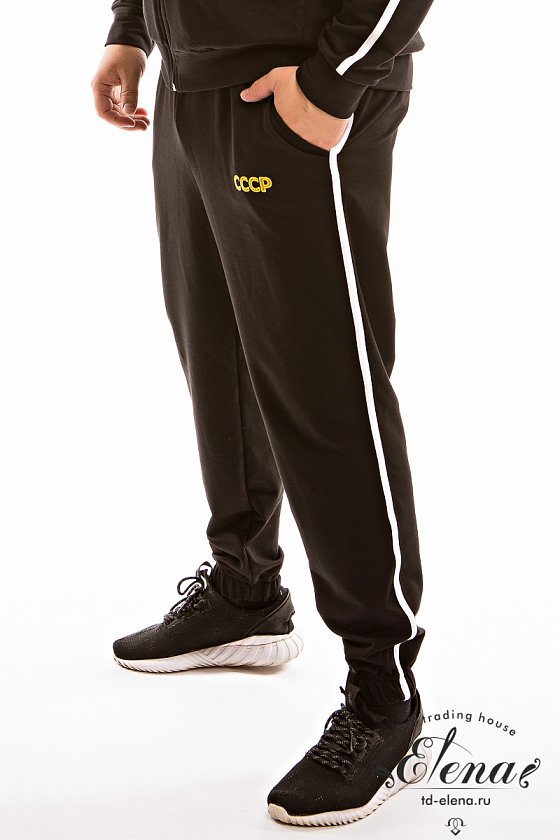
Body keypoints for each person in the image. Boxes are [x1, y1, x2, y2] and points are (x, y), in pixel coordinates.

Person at [91, 0, 436, 827]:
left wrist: (335, 79)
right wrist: (132, 27)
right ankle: (245, 588)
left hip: (294, 84)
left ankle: (384, 690)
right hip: (194, 79)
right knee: (214, 344)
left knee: (326, 385)